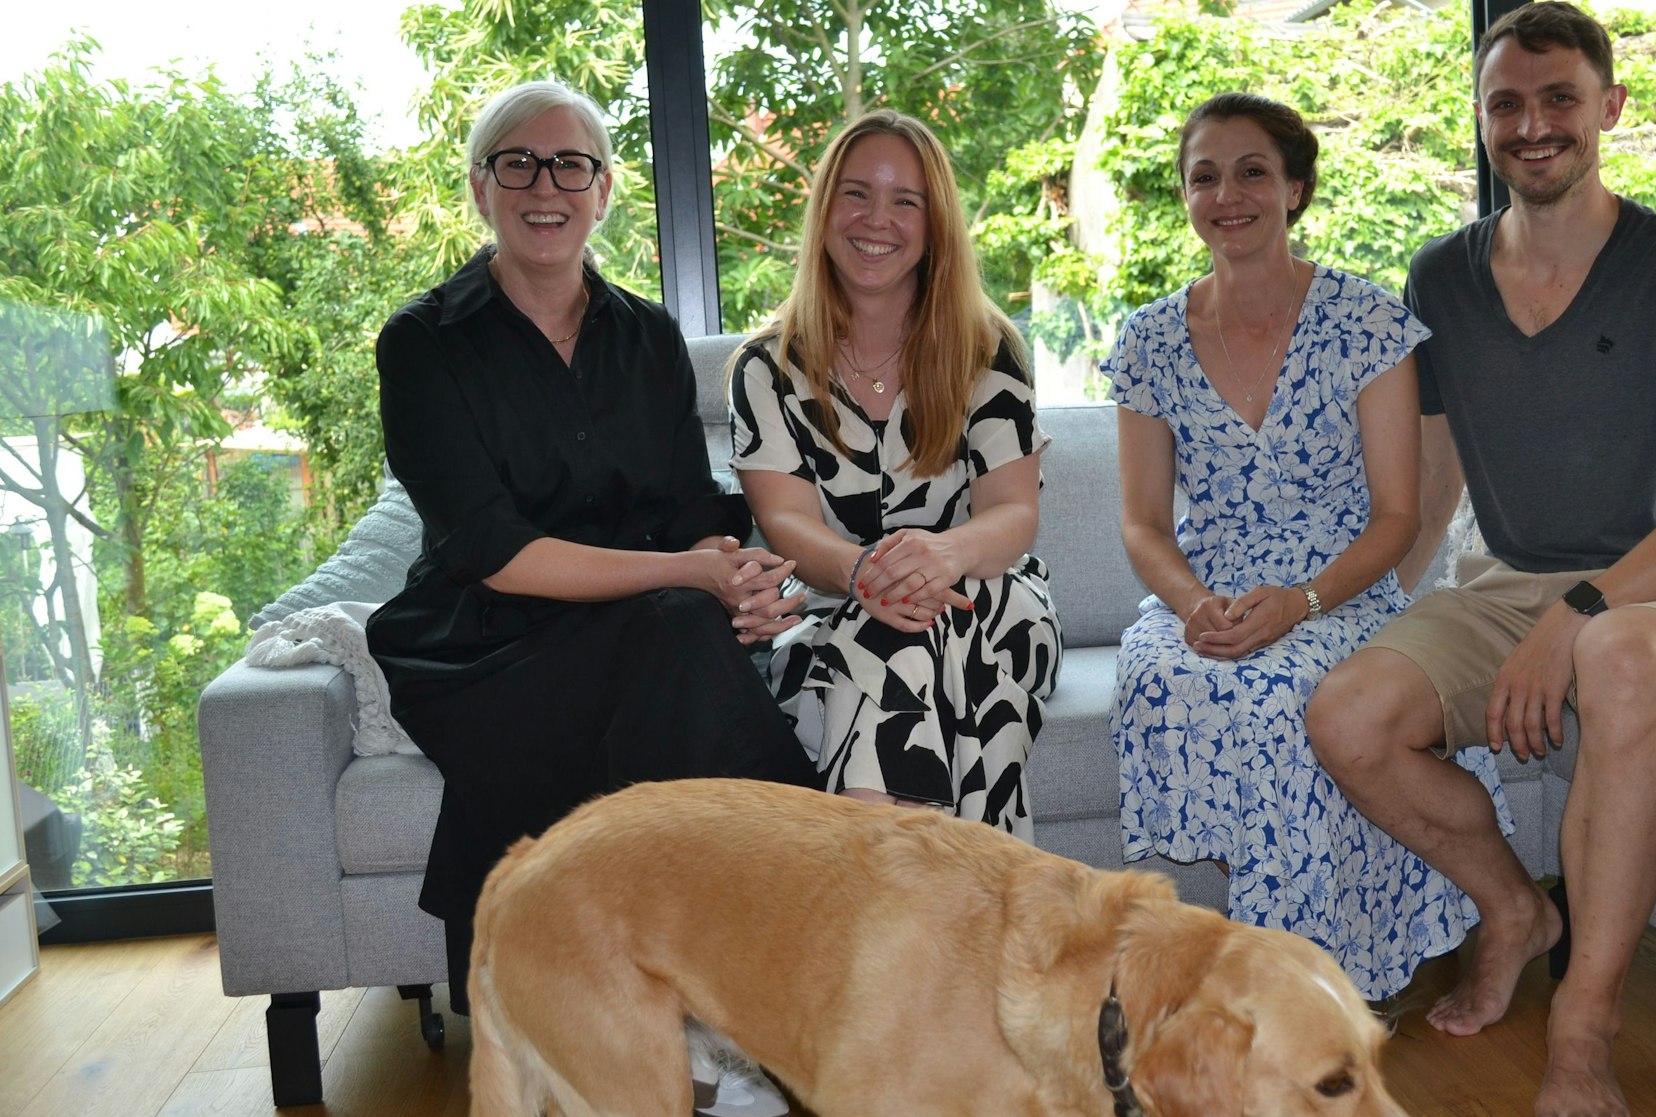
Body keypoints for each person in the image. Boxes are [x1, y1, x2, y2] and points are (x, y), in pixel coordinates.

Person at [1304, 5, 1656, 1117]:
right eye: (1504, 104)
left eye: (1556, 98)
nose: (1530, 125)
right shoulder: (1442, 276)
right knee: (1346, 716)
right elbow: (1425, 490)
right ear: (1478, 123)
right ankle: (1514, 911)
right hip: (1507, 583)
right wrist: (1345, 612)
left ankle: (1583, 1026)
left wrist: (1577, 612)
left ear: (1605, 108)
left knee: (1612, 657)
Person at [365, 81, 818, 1050]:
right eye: (517, 164)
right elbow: (493, 553)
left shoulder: (646, 336)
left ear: (603, 191)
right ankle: (814, 913)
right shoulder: (421, 345)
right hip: (485, 652)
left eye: (570, 165)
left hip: (640, 636)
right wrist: (686, 580)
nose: (545, 186)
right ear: (481, 189)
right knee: (681, 637)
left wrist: (727, 573)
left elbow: (690, 508)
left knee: (685, 642)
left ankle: (693, 1014)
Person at [1105, 92, 1512, 1001]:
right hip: (1198, 599)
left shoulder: (1366, 324)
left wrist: (1304, 602)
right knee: (1175, 671)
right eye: (1203, 176)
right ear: (1184, 196)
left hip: (1343, 591)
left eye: (1253, 171)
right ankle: (1293, 965)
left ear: (1296, 188)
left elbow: (1396, 517)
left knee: (1290, 691)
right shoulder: (1148, 341)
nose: (1228, 194)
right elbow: (1142, 525)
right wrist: (1189, 605)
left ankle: (1304, 986)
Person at [728, 110, 1061, 841]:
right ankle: (984, 904)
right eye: (856, 194)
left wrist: (940, 555)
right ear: (824, 212)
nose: (878, 218)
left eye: (905, 200)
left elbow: (1012, 512)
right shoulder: (767, 367)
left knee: (928, 622)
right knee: (888, 631)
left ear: (934, 221)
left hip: (989, 596)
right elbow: (787, 524)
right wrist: (865, 574)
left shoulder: (987, 347)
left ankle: (879, 898)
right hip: (835, 606)